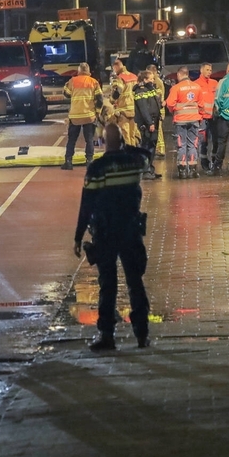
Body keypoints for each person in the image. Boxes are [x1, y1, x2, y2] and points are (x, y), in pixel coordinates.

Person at [73, 123, 152, 350]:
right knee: (135, 282)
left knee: (108, 284)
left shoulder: (97, 168)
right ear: (122, 140)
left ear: (103, 142)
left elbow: (86, 205)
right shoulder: (133, 162)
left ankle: (106, 334)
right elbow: (146, 154)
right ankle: (141, 333)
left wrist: (78, 236)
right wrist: (126, 146)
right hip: (130, 230)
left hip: (105, 233)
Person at [61, 62, 103, 170]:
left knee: (72, 140)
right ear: (88, 71)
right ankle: (89, 161)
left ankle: (68, 161)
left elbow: (66, 94)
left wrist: (67, 86)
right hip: (89, 116)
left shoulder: (73, 81)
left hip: (75, 116)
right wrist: (97, 112)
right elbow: (100, 99)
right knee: (89, 139)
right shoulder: (94, 82)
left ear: (79, 71)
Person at [164, 66, 202, 179]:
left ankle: (182, 171)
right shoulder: (197, 87)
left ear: (179, 75)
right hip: (194, 120)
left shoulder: (176, 88)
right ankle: (193, 170)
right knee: (193, 145)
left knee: (182, 145)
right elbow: (201, 104)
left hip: (180, 120)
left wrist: (173, 112)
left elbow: (170, 104)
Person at [133, 69, 162, 179]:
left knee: (152, 146)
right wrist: (150, 123)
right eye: (151, 79)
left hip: (154, 121)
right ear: (144, 80)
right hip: (147, 123)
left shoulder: (150, 89)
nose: (153, 80)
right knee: (146, 147)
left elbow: (154, 103)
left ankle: (150, 169)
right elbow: (144, 109)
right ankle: (145, 171)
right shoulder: (140, 91)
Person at [109, 59, 140, 147]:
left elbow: (117, 92)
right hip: (134, 109)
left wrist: (111, 100)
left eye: (114, 69)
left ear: (116, 67)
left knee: (125, 134)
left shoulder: (119, 78)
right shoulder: (134, 76)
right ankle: (134, 155)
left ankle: (128, 157)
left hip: (123, 111)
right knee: (133, 135)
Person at [196, 63, 219, 173]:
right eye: (207, 70)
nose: (209, 72)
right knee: (203, 142)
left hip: (213, 118)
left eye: (210, 70)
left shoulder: (215, 83)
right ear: (201, 70)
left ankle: (214, 161)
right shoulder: (196, 85)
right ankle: (204, 163)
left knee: (215, 140)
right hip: (202, 118)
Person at [148, 64, 167, 159]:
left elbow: (159, 98)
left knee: (158, 130)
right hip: (158, 110)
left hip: (157, 110)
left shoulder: (157, 83)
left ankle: (160, 149)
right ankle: (159, 149)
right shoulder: (157, 82)